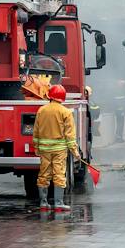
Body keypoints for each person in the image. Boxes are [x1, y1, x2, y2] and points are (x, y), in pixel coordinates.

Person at [33, 84, 77, 212]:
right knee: (59, 174)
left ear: (50, 96)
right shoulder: (65, 112)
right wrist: (75, 151)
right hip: (59, 150)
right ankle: (58, 203)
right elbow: (70, 135)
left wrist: (36, 146)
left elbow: (36, 131)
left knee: (43, 174)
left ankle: (43, 203)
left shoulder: (41, 110)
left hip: (44, 150)